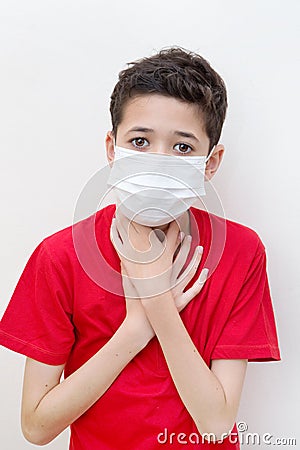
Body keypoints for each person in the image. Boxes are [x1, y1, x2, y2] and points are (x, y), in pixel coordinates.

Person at [0, 46, 280, 450]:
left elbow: (217, 424)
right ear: (113, 148)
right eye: (140, 141)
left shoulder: (240, 252)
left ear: (211, 162)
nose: (158, 159)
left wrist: (158, 303)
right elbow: (37, 427)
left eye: (182, 147)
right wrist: (134, 329)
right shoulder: (60, 257)